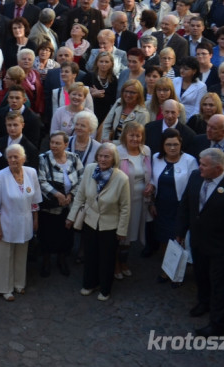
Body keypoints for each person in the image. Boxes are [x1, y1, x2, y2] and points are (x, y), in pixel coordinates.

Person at [176, 147, 224, 336]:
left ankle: (217, 323)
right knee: (201, 276)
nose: (199, 167)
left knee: (219, 286)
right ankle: (203, 302)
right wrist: (180, 231)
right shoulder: (195, 177)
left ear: (217, 168)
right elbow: (186, 204)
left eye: (204, 165)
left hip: (220, 249)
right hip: (198, 243)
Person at [67, 142, 130, 301]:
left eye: (107, 156)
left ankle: (105, 289)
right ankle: (89, 284)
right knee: (90, 255)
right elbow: (81, 194)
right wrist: (71, 216)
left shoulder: (122, 178)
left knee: (107, 259)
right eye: (100, 156)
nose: (103, 159)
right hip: (90, 221)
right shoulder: (89, 170)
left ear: (114, 158)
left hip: (110, 225)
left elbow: (125, 207)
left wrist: (122, 231)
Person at [0, 143, 42, 301]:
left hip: (25, 222)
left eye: (16, 157)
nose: (13, 160)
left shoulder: (31, 172)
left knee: (22, 254)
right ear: (6, 159)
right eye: (10, 157)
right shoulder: (0, 176)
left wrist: (35, 220)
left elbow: (35, 200)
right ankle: (4, 288)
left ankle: (19, 284)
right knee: (4, 257)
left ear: (24, 158)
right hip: (6, 223)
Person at [152, 129, 198, 280]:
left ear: (181, 144)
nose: (172, 148)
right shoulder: (156, 158)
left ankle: (178, 271)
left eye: (175, 144)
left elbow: (194, 185)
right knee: (164, 238)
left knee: (179, 239)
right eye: (168, 144)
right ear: (163, 146)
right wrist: (151, 201)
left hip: (180, 207)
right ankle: (168, 267)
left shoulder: (189, 160)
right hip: (161, 206)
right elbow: (152, 179)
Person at [37, 131, 84, 278]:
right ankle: (46, 261)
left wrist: (70, 195)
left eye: (58, 143)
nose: (54, 146)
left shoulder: (74, 158)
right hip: (50, 205)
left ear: (66, 144)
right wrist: (57, 194)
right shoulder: (43, 158)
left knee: (65, 234)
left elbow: (82, 179)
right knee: (46, 233)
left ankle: (62, 260)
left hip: (68, 205)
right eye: (52, 142)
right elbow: (41, 180)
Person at [116, 122, 153, 274]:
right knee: (120, 234)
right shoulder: (117, 152)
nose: (135, 138)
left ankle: (123, 262)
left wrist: (151, 185)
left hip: (140, 201)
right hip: (122, 202)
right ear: (125, 135)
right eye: (131, 135)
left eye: (138, 135)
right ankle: (115, 264)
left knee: (130, 235)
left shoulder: (146, 151)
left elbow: (151, 173)